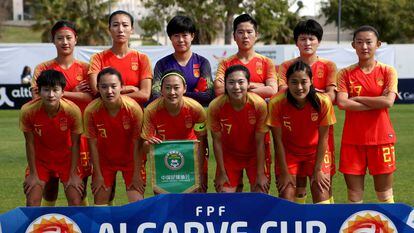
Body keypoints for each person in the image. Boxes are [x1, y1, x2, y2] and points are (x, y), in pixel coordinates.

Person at [30, 20, 92, 207]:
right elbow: (36, 98)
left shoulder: (86, 68)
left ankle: (81, 224)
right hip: (49, 135)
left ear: (76, 40)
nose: (65, 42)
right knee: (50, 185)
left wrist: (62, 93)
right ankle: (48, 221)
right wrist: (74, 92)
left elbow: (91, 98)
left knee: (79, 185)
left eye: (68, 38)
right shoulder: (43, 69)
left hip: (78, 136)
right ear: (53, 41)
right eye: (60, 38)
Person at [213, 13, 277, 191]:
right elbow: (218, 89)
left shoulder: (266, 63)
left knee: (259, 194)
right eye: (240, 32)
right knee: (227, 197)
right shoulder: (226, 63)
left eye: (249, 32)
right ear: (234, 36)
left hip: (258, 135)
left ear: (256, 35)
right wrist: (257, 86)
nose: (245, 36)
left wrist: (240, 88)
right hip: (230, 138)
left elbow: (273, 90)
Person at [277, 19, 337, 204]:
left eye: (311, 38)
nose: (307, 43)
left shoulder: (329, 66)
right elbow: (282, 94)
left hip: (319, 133)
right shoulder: (286, 66)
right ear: (296, 42)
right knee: (297, 185)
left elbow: (331, 96)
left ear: (318, 41)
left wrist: (308, 95)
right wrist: (315, 93)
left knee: (322, 183)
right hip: (292, 133)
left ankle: (328, 221)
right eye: (303, 39)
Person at [151, 15, 213, 192]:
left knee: (199, 186)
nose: (181, 40)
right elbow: (156, 95)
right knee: (167, 187)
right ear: (170, 38)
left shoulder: (202, 63)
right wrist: (194, 95)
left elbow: (208, 94)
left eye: (185, 35)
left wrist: (176, 97)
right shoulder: (162, 64)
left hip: (194, 132)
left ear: (192, 36)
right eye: (176, 35)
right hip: (166, 135)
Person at [336, 25, 398, 204]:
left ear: (377, 44)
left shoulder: (388, 71)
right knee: (354, 197)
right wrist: (377, 101)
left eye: (369, 42)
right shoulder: (345, 73)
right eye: (360, 42)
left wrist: (359, 98)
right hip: (352, 141)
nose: (364, 46)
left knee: (385, 195)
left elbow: (388, 102)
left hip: (382, 139)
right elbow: (342, 103)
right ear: (353, 45)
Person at [267, 60, 336, 203]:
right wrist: (284, 173)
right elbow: (277, 141)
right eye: (294, 82)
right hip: (289, 155)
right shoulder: (276, 102)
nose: (299, 87)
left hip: (316, 153)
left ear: (311, 81)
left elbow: (324, 139)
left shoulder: (323, 101)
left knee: (322, 194)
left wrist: (318, 170)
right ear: (287, 82)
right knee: (287, 197)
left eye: (303, 82)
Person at [20, 70, 84, 206]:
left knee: (76, 201)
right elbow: (29, 143)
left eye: (55, 90)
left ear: (62, 91)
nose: (51, 95)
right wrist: (32, 174)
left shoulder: (72, 110)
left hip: (66, 160)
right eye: (46, 90)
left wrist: (73, 174)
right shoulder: (28, 110)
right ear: (39, 91)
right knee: (32, 201)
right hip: (40, 160)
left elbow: (76, 143)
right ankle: (38, 227)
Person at [84, 67, 145, 205]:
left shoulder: (133, 109)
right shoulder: (91, 111)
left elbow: (138, 144)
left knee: (137, 207)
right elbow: (92, 144)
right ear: (98, 88)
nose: (109, 91)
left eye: (113, 86)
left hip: (131, 162)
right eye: (104, 87)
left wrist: (136, 174)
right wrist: (98, 175)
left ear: (122, 87)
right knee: (100, 207)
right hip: (104, 162)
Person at [141, 70, 207, 193]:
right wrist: (148, 144)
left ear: (185, 88)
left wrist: (199, 172)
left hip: (190, 156)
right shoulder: (151, 110)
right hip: (164, 158)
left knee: (194, 199)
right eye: (167, 88)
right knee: (164, 202)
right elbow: (144, 148)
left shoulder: (196, 109)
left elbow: (202, 142)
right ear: (161, 90)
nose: (172, 92)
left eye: (176, 87)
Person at [208, 65, 269, 193]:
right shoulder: (215, 106)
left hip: (254, 156)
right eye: (231, 82)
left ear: (248, 84)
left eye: (241, 82)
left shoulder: (259, 104)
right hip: (229, 156)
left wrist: (260, 173)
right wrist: (221, 171)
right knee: (225, 198)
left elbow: (260, 142)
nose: (236, 87)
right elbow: (217, 141)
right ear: (225, 85)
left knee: (260, 196)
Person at [88, 10, 152, 104]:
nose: (120, 29)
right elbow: (97, 91)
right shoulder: (97, 58)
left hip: (135, 114)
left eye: (125, 25)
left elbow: (145, 94)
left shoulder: (142, 58)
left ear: (132, 29)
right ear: (109, 29)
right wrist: (128, 88)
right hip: (105, 114)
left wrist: (111, 95)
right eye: (115, 25)